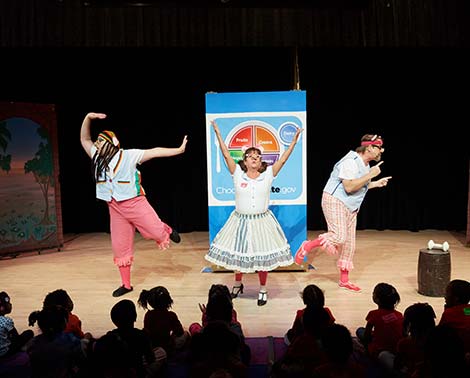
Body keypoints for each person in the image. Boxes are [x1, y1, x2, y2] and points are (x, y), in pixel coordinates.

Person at [80, 112, 188, 297]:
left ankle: (166, 229)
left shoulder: (128, 156)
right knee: (120, 246)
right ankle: (126, 284)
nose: (96, 144)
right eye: (97, 141)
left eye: (101, 141)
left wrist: (178, 150)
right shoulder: (97, 157)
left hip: (135, 203)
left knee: (156, 233)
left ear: (111, 143)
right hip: (115, 208)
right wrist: (89, 117)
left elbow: (154, 151)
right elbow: (84, 138)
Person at [205, 120, 302, 306]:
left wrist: (294, 142)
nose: (255, 157)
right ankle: (237, 284)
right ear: (245, 160)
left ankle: (263, 289)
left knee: (261, 257)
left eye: (258, 155)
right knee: (239, 254)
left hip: (261, 221)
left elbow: (283, 159)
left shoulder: (268, 174)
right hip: (240, 220)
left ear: (261, 161)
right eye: (250, 155)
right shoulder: (237, 173)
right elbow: (226, 155)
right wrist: (217, 132)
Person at [294, 134, 391, 292]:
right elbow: (349, 187)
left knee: (349, 245)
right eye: (379, 147)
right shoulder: (350, 162)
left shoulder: (365, 165)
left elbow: (359, 185)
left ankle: (344, 280)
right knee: (339, 236)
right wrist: (371, 175)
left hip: (351, 206)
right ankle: (308, 245)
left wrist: (374, 183)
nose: (382, 150)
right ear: (369, 147)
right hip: (335, 200)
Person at [137, 285, 190, 357]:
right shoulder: (170, 315)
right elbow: (179, 332)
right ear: (168, 300)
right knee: (186, 334)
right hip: (167, 346)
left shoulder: (148, 315)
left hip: (153, 346)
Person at [356, 282, 403, 360]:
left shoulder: (373, 314)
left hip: (378, 350)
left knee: (360, 330)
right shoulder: (399, 315)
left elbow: (366, 337)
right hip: (396, 349)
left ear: (377, 299)